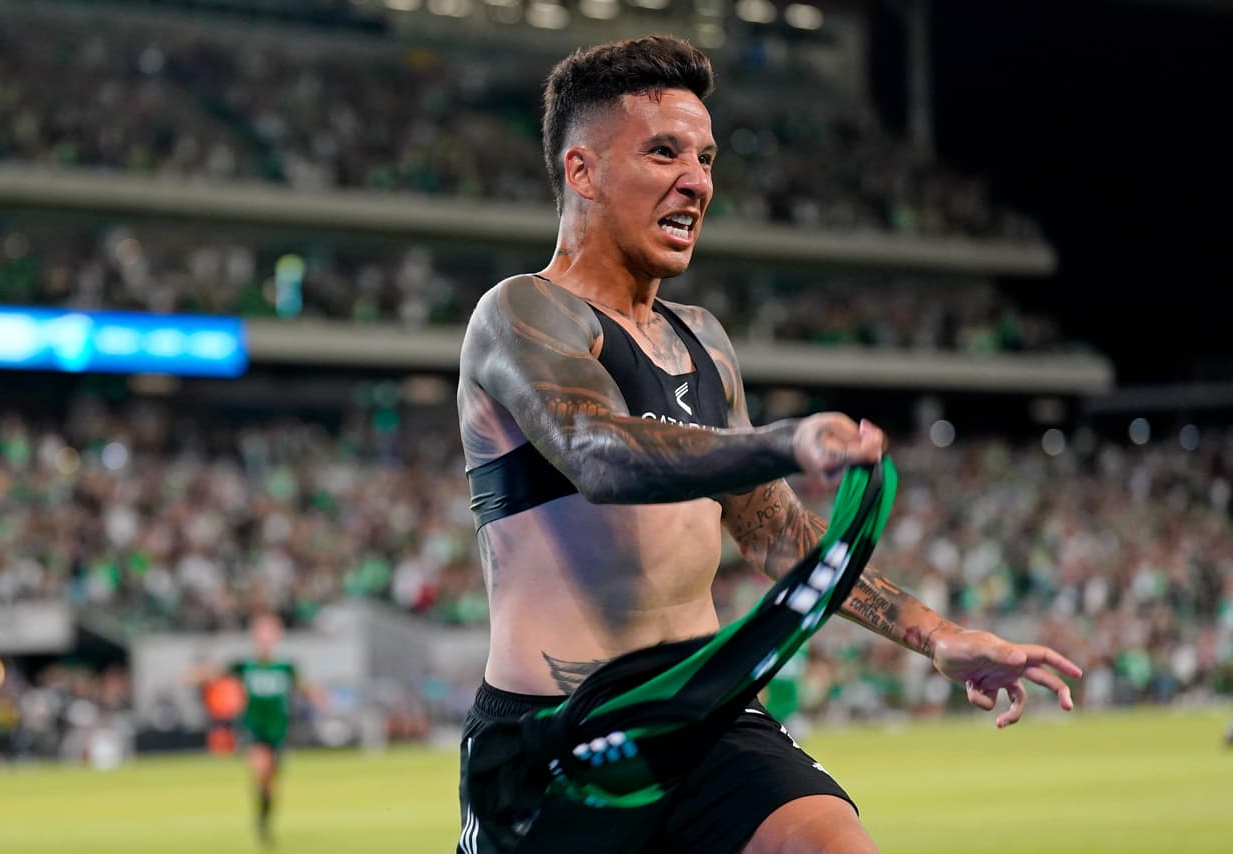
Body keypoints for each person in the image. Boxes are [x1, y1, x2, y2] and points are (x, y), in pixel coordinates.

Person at [455, 35, 1083, 854]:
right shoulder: (520, 313)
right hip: (554, 743)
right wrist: (786, 441)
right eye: (664, 153)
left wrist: (937, 635)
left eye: (706, 158)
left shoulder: (704, 341)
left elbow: (777, 535)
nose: (697, 181)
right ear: (583, 171)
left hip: (706, 715)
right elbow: (597, 455)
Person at [192, 612, 316, 847]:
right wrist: (196, 675)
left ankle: (263, 818)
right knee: (261, 767)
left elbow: (305, 687)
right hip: (253, 726)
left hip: (278, 728)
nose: (266, 637)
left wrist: (317, 696)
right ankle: (262, 820)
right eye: (262, 631)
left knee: (271, 781)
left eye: (270, 631)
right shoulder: (244, 665)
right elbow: (215, 675)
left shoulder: (286, 667)